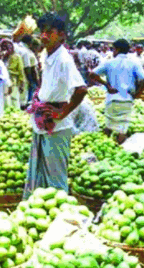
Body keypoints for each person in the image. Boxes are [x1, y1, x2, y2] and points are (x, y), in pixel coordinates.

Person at [23, 12, 88, 199]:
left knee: (56, 175)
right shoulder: (47, 54)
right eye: (42, 31)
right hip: (44, 119)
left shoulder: (64, 59)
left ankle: (62, 213)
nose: (43, 36)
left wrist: (63, 112)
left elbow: (81, 89)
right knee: (43, 169)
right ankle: (42, 206)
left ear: (61, 35)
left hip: (57, 125)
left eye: (49, 32)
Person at [90, 38, 144, 144]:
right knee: (122, 129)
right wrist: (137, 94)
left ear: (116, 49)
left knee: (108, 126)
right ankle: (120, 150)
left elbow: (92, 74)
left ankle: (105, 147)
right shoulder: (134, 63)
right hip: (127, 99)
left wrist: (106, 85)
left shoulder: (109, 63)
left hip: (112, 99)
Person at [1, 39, 26, 111]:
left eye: (8, 45)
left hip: (13, 83)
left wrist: (22, 84)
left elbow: (21, 71)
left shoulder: (17, 57)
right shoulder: (1, 57)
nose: (6, 48)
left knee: (14, 101)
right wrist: (3, 57)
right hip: (3, 84)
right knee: (5, 103)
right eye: (4, 46)